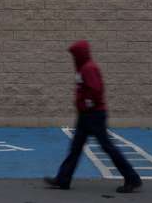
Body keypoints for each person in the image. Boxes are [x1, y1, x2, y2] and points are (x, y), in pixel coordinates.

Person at [44, 40, 142, 193]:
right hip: (86, 115)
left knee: (107, 147)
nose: (73, 58)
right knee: (76, 148)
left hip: (93, 115)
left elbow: (95, 90)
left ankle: (132, 178)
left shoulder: (88, 68)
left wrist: (87, 104)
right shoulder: (84, 67)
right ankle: (63, 179)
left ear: (80, 55)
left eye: (74, 55)